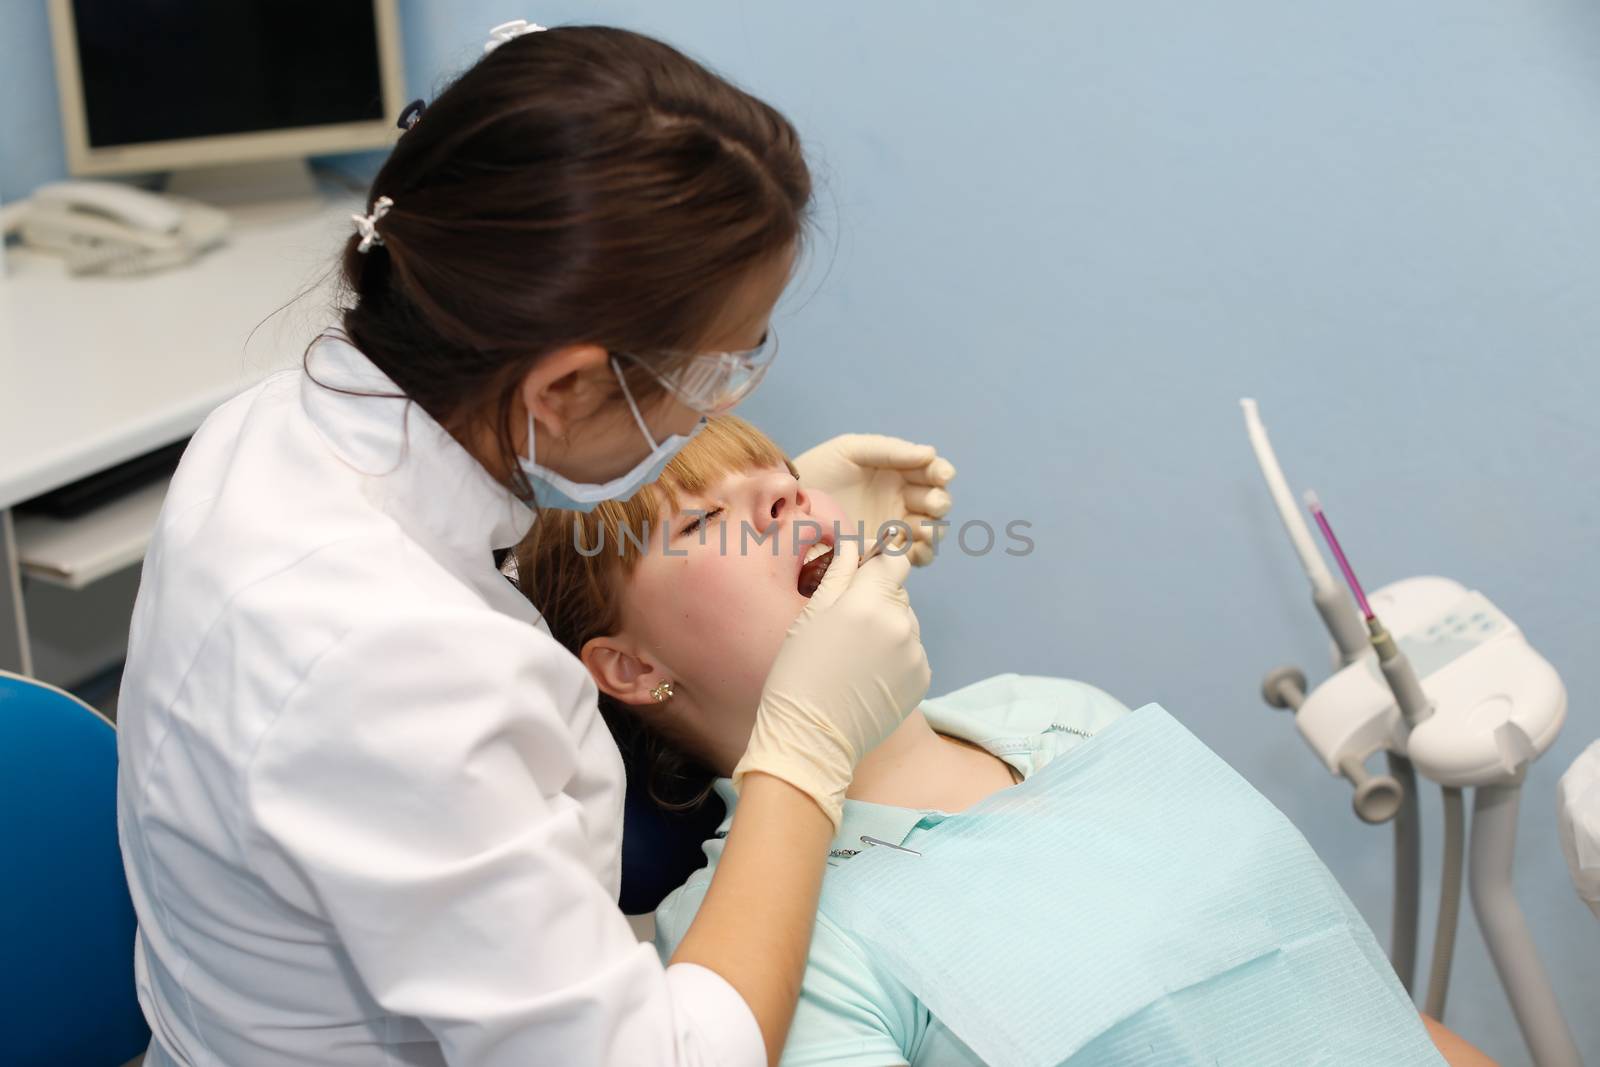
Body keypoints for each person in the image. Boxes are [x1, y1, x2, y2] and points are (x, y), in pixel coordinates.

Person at [116, 22, 953, 1067]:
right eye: (711, 374)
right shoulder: (384, 663)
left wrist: (726, 495)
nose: (729, 407)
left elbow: (468, 551)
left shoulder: (275, 420)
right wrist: (801, 750)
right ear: (559, 387)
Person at [516, 415, 1500, 1067]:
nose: (783, 502)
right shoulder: (747, 942)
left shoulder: (1058, 710)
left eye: (779, 482)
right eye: (703, 519)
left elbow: (1357, 1006)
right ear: (632, 668)